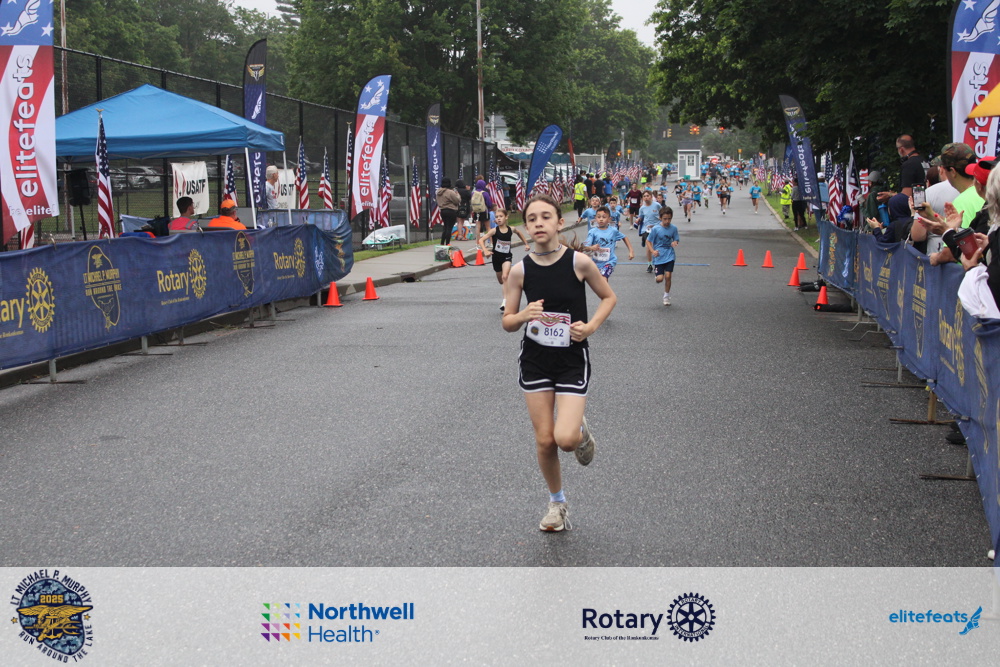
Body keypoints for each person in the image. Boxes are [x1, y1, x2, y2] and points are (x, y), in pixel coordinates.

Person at [501, 193, 617, 532]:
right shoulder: (519, 271)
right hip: (535, 360)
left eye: (545, 217)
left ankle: (579, 430)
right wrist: (523, 315)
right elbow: (508, 322)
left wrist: (590, 327)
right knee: (545, 440)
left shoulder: (578, 263)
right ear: (526, 226)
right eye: (532, 218)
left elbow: (609, 297)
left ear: (559, 222)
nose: (538, 223)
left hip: (571, 359)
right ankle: (557, 503)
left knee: (565, 439)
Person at [479, 208, 531, 311]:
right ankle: (507, 292)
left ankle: (505, 301)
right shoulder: (494, 231)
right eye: (497, 217)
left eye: (501, 216)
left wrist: (526, 244)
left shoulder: (511, 229)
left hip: (507, 257)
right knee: (501, 280)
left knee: (505, 276)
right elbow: (481, 240)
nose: (498, 219)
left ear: (506, 217)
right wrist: (485, 250)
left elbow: (519, 233)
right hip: (496, 258)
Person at [584, 206, 634, 280]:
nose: (601, 219)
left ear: (609, 219)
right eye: (599, 217)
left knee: (604, 277)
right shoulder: (592, 232)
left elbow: (624, 237)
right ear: (595, 218)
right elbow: (585, 247)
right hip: (596, 262)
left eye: (604, 217)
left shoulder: (613, 231)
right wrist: (591, 247)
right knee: (600, 282)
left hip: (610, 261)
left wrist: (631, 251)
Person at [647, 206, 680, 306]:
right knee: (660, 279)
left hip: (669, 254)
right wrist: (652, 251)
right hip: (659, 256)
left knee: (668, 275)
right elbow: (648, 241)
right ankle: (657, 277)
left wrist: (675, 242)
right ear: (660, 218)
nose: (667, 221)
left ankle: (666, 296)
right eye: (665, 219)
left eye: (669, 219)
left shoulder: (673, 228)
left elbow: (676, 239)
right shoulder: (656, 229)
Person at [637, 191, 662, 271]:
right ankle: (650, 264)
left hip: (657, 227)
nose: (646, 197)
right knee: (649, 246)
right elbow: (640, 217)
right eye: (644, 196)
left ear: (651, 196)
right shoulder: (642, 208)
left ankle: (658, 263)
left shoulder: (657, 205)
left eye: (648, 196)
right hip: (647, 229)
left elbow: (662, 214)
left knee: (657, 246)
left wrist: (661, 222)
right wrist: (638, 220)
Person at [436, 177, 461, 245]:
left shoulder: (438, 192)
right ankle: (447, 243)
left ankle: (442, 243)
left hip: (443, 210)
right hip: (451, 211)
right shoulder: (450, 192)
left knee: (445, 227)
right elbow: (457, 201)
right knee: (449, 228)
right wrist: (457, 195)